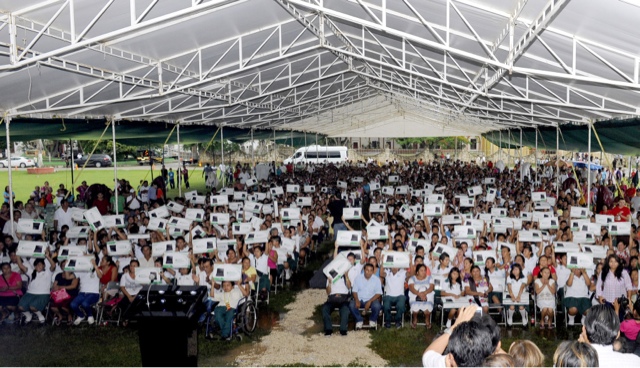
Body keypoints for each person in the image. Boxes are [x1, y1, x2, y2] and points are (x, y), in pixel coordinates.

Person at [422, 305, 494, 367]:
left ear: (450, 359)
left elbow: (428, 355)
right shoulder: (496, 364)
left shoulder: (444, 364)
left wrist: (456, 325)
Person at [17, 253, 56, 323]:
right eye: (37, 265)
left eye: (40, 264)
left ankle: (40, 316)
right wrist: (18, 254)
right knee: (20, 307)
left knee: (33, 307)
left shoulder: (48, 273)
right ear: (34, 266)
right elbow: (21, 266)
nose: (38, 266)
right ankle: (28, 316)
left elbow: (53, 265)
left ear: (44, 266)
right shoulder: (31, 272)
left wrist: (47, 256)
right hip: (30, 293)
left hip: (43, 294)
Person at [596, 254, 634, 320]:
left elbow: (629, 286)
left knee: (620, 320)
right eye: (611, 261)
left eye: (615, 261)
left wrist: (629, 298)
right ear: (608, 262)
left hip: (620, 302)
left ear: (619, 263)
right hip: (607, 301)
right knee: (608, 321)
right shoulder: (604, 272)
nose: (613, 263)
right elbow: (598, 286)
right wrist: (600, 297)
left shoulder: (624, 273)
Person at [348, 263, 382, 329]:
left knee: (377, 306)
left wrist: (369, 301)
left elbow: (378, 293)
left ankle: (372, 320)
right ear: (364, 270)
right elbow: (354, 291)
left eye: (371, 270)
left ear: (373, 271)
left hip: (371, 300)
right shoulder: (358, 278)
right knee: (351, 305)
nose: (368, 272)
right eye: (367, 270)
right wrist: (357, 300)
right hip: (360, 299)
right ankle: (359, 320)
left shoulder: (376, 280)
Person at [322, 268, 351, 336]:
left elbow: (349, 287)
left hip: (343, 298)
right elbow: (328, 292)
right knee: (325, 309)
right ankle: (328, 329)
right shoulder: (330, 276)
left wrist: (346, 276)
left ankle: (343, 330)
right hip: (332, 298)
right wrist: (329, 283)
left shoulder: (345, 276)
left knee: (345, 310)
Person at [50, 260, 79, 325]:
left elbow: (73, 286)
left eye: (65, 265)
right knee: (53, 307)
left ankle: (69, 314)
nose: (64, 267)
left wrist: (61, 287)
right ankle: (60, 316)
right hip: (59, 294)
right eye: (63, 265)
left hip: (70, 294)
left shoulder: (74, 275)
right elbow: (54, 286)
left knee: (64, 306)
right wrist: (55, 289)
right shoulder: (58, 275)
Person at [408, 263, 434, 328]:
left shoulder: (429, 278)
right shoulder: (412, 278)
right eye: (421, 270)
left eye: (424, 270)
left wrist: (424, 293)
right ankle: (414, 319)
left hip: (427, 295)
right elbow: (411, 288)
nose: (423, 272)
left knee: (427, 308)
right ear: (417, 272)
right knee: (415, 308)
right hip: (415, 295)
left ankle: (427, 320)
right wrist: (419, 294)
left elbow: (431, 287)